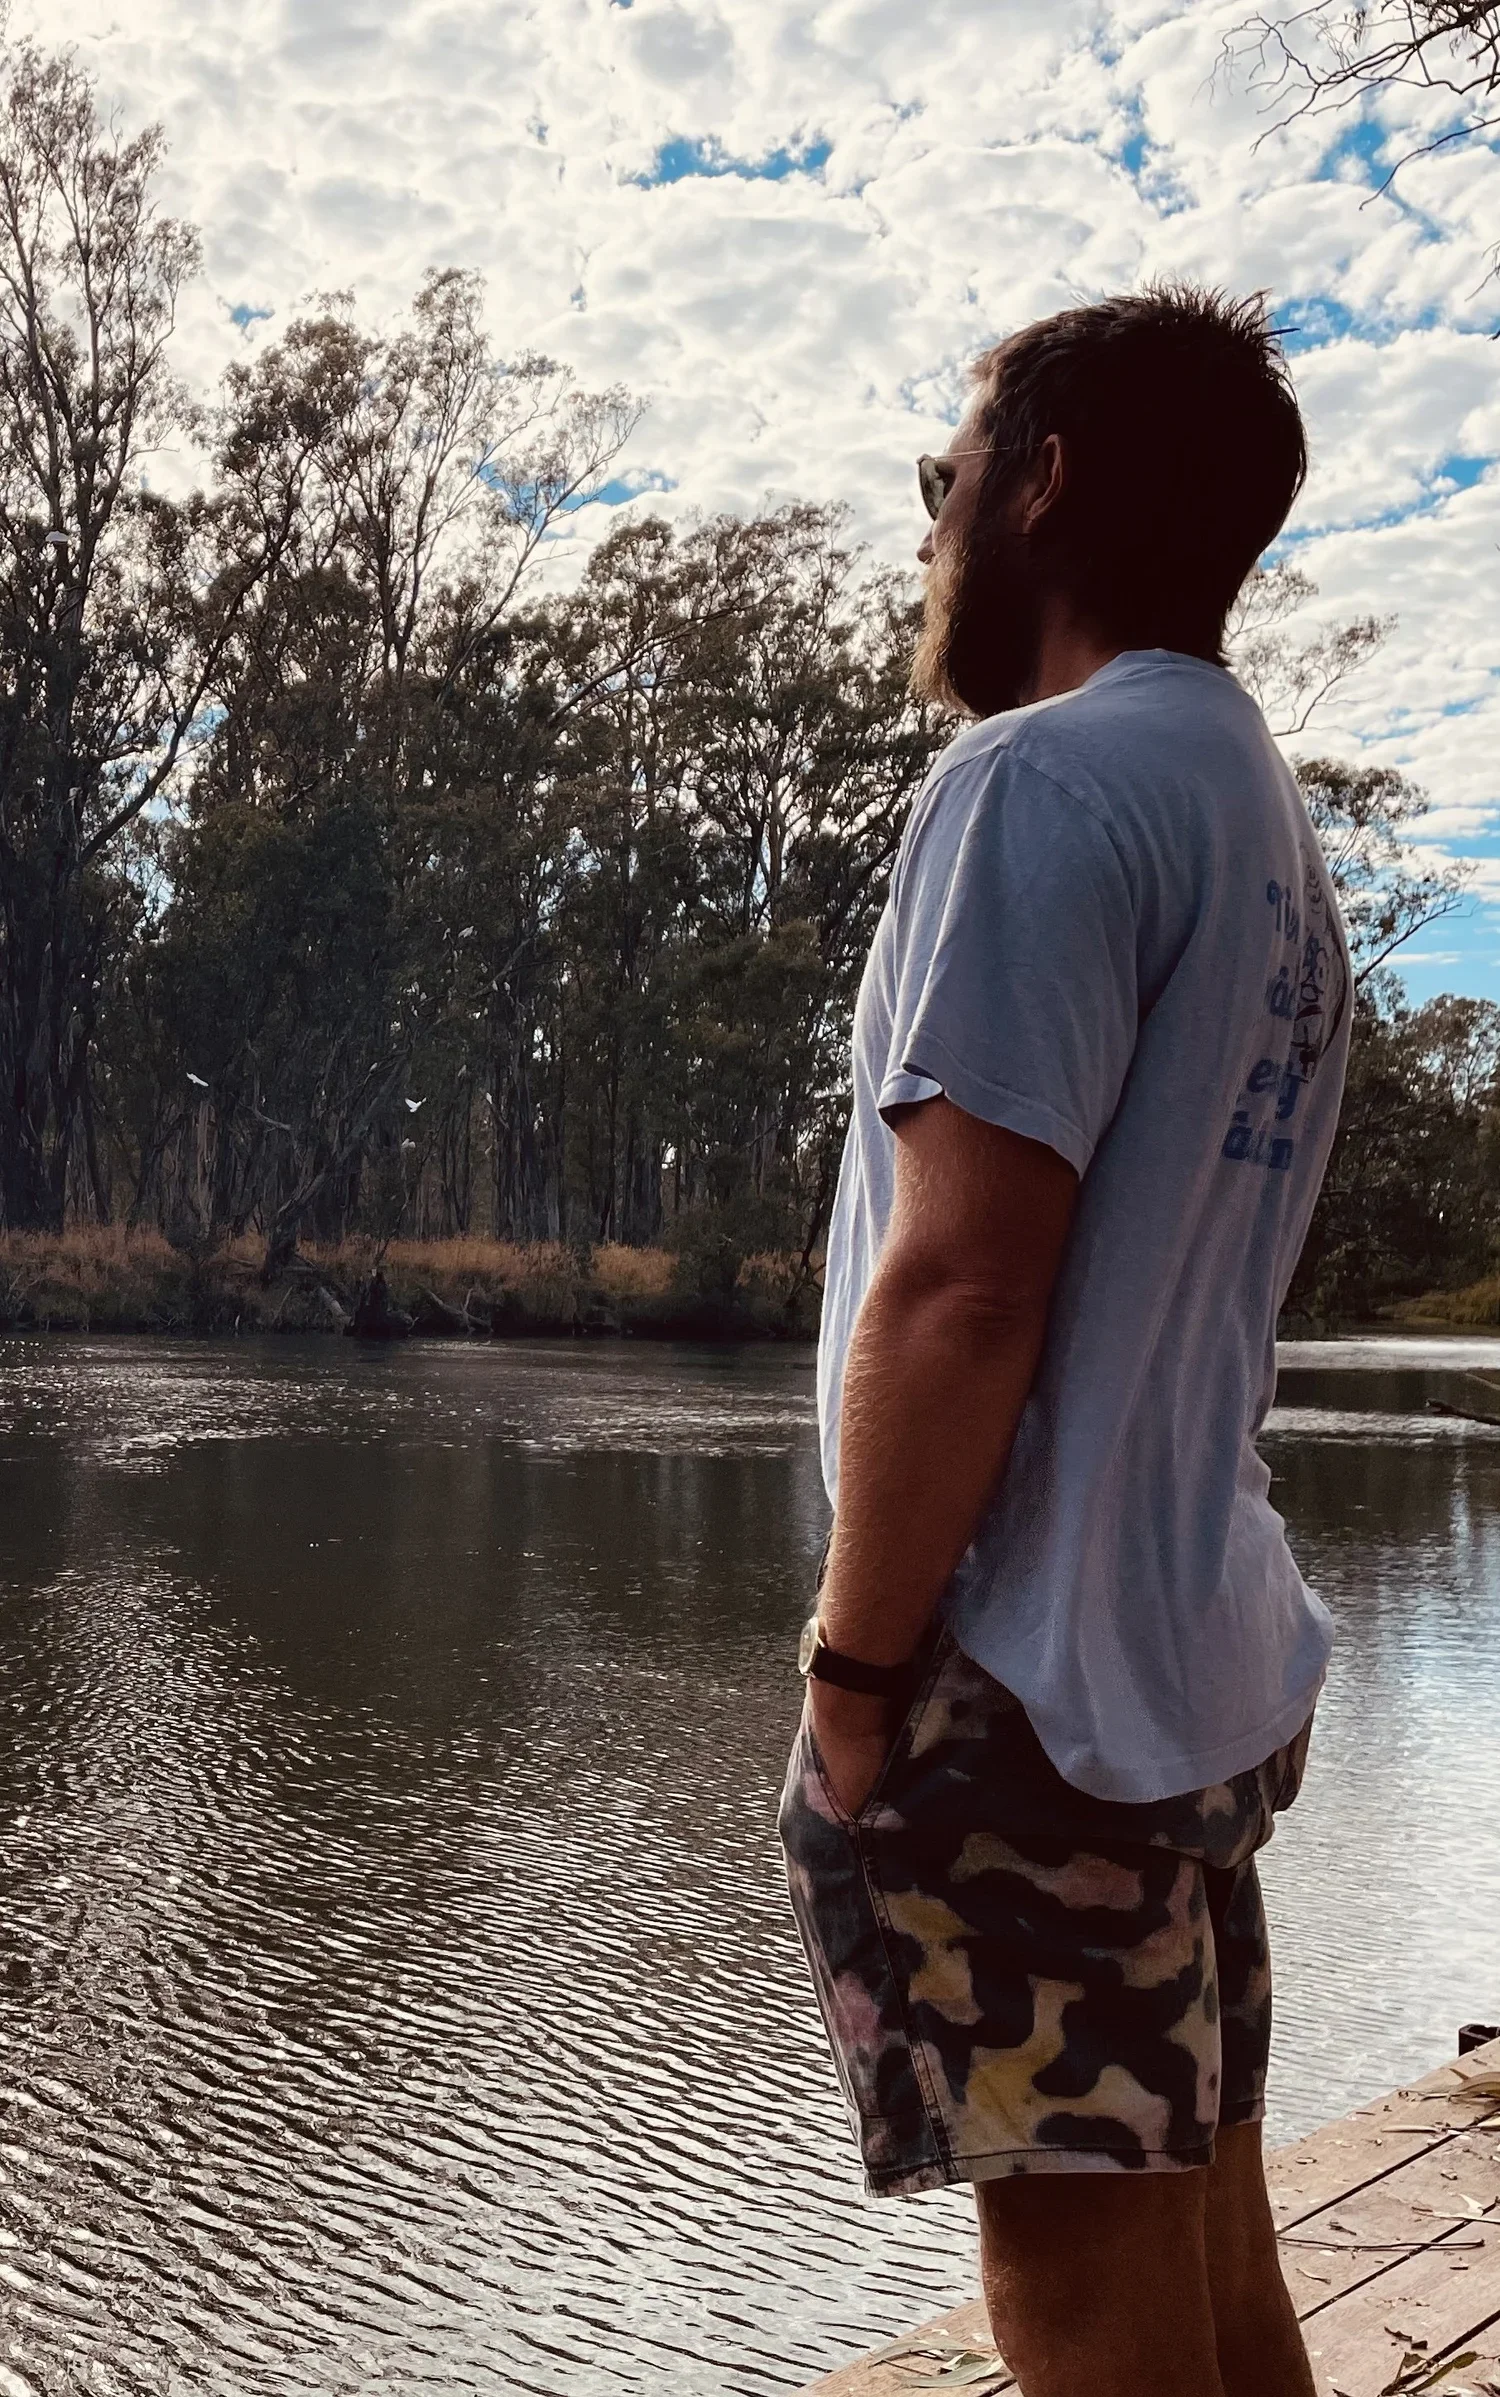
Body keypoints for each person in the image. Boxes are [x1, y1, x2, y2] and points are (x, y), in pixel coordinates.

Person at [778, 286, 1349, 2397]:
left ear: (1043, 486)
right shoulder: (1254, 811)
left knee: (1083, 2308)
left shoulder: (1038, 783)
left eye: (950, 474)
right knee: (1202, 2231)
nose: (933, 525)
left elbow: (965, 1285)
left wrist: (856, 1675)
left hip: (1023, 1679)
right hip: (1183, 1653)